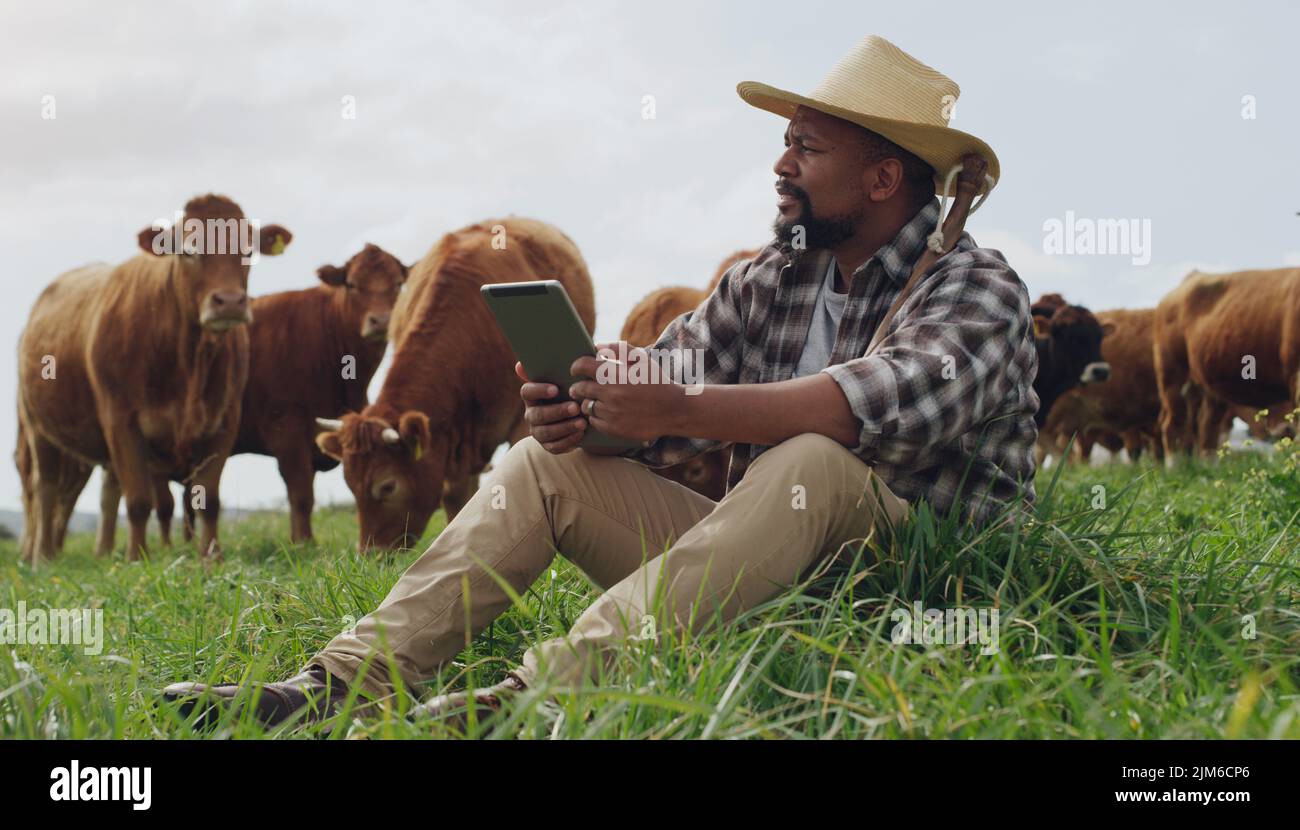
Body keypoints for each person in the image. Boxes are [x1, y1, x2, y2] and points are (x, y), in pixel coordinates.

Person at [163, 34, 1039, 729]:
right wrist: (594, 411)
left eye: (806, 149)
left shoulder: (977, 287)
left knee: (809, 456)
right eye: (784, 145)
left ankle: (545, 694)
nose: (780, 168)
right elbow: (665, 386)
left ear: (884, 177)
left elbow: (872, 406)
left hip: (914, 590)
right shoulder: (771, 279)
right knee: (541, 467)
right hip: (758, 568)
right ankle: (340, 684)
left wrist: (678, 404)